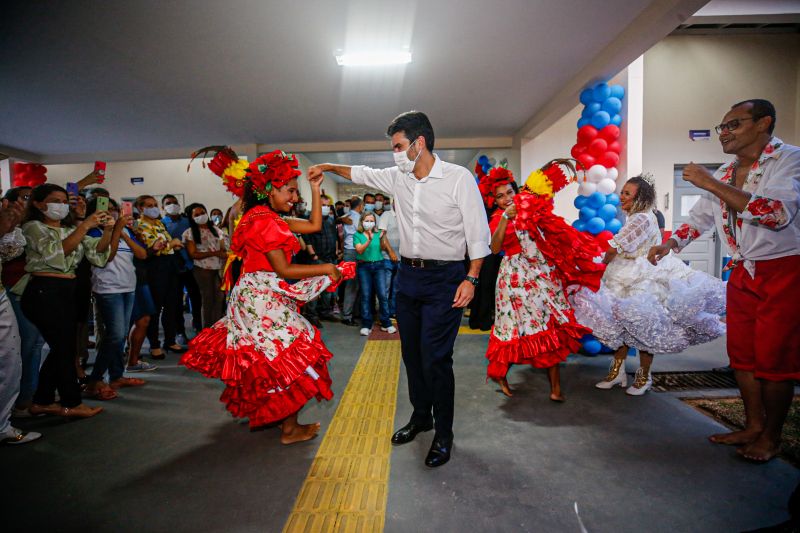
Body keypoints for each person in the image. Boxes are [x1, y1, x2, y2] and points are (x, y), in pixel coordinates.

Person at [308, 110, 491, 468]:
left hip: (446, 279)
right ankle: (421, 416)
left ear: (419, 144)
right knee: (412, 355)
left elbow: (477, 234)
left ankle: (444, 433)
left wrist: (470, 278)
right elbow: (361, 173)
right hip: (408, 276)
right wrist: (329, 165)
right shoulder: (398, 177)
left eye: (398, 146)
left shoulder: (458, 178)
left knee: (436, 358)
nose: (393, 153)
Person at [648, 99, 800, 462]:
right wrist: (670, 242)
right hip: (742, 270)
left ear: (764, 123)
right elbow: (700, 217)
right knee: (743, 356)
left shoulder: (790, 159)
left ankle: (771, 437)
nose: (724, 133)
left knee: (774, 359)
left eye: (733, 124)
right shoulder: (729, 171)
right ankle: (751, 425)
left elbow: (776, 214)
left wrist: (708, 182)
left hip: (783, 269)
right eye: (722, 127)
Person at [181, 147, 352, 444]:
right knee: (294, 357)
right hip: (260, 301)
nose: (294, 198)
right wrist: (326, 268)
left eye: (295, 192)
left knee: (275, 360)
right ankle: (289, 428)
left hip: (260, 297)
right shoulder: (263, 220)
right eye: (289, 191)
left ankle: (284, 422)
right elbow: (284, 269)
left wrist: (314, 188)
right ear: (269, 190)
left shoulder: (265, 216)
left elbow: (313, 225)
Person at [573, 175, 727, 395]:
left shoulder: (641, 219)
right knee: (621, 325)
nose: (621, 197)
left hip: (641, 275)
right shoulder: (640, 217)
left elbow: (615, 247)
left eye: (627, 193)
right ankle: (617, 373)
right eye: (622, 192)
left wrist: (599, 265)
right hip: (624, 273)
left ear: (640, 198)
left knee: (644, 325)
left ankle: (643, 378)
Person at [482, 164, 604, 400]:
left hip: (541, 274)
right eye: (500, 196)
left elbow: (550, 231)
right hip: (515, 281)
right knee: (514, 331)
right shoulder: (497, 219)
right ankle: (501, 372)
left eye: (509, 192)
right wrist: (507, 219)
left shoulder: (530, 208)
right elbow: (495, 248)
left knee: (550, 326)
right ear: (494, 201)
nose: (507, 199)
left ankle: (556, 389)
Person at [18, 183, 113, 418]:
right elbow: (56, 253)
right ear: (39, 204)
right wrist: (86, 225)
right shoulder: (33, 227)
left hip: (65, 290)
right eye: (55, 201)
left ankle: (43, 400)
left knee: (63, 347)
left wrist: (109, 229)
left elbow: (96, 253)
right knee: (63, 349)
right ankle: (71, 402)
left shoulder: (70, 228)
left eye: (63, 201)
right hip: (44, 291)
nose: (60, 205)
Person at [84, 198, 148, 399]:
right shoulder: (93, 232)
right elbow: (107, 257)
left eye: (114, 210)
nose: (110, 213)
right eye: (106, 209)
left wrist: (122, 232)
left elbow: (142, 254)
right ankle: (94, 380)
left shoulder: (125, 231)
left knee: (119, 336)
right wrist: (112, 231)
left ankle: (116, 375)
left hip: (128, 287)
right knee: (114, 335)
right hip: (108, 288)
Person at [2, 187, 46, 416]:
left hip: (36, 287)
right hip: (15, 286)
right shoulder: (10, 226)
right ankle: (21, 401)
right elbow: (10, 255)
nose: (29, 201)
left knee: (36, 343)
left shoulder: (35, 223)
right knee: (26, 344)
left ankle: (29, 395)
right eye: (25, 197)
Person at [134, 195, 184, 358]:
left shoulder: (159, 224)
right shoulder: (139, 225)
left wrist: (171, 245)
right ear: (141, 208)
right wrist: (171, 244)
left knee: (172, 305)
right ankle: (154, 344)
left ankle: (169, 340)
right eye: (149, 205)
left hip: (169, 266)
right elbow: (152, 248)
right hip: (154, 268)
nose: (154, 207)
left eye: (155, 204)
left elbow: (167, 245)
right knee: (154, 308)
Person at [161, 194, 202, 339]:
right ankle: (180, 331)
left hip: (190, 265)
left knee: (196, 297)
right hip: (172, 268)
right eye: (169, 203)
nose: (173, 205)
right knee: (176, 301)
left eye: (175, 202)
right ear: (163, 207)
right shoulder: (161, 224)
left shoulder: (187, 221)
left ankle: (198, 325)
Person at [182, 203, 227, 328]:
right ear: (191, 218)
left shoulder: (217, 230)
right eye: (196, 215)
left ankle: (217, 327)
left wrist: (224, 253)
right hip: (202, 269)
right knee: (207, 299)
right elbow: (193, 254)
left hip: (218, 268)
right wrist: (215, 253)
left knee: (219, 298)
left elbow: (223, 248)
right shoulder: (189, 233)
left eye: (202, 213)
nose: (200, 216)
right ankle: (207, 330)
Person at [354, 212, 396, 336]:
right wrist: (369, 240)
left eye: (371, 221)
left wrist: (383, 238)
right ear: (362, 222)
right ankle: (367, 324)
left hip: (379, 266)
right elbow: (359, 250)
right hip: (364, 267)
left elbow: (382, 248)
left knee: (382, 295)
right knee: (366, 296)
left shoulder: (378, 234)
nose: (369, 223)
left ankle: (386, 323)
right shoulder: (357, 235)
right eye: (366, 220)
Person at [304, 194, 339, 322]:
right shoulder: (309, 219)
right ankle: (312, 315)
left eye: (327, 205)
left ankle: (325, 312)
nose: (325, 208)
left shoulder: (330, 220)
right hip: (317, 259)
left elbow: (334, 237)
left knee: (328, 288)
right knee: (315, 288)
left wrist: (336, 251)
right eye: (322, 205)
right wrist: (313, 254)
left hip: (330, 258)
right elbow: (306, 238)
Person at [339, 197, 363, 326]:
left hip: (349, 251)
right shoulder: (358, 217)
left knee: (354, 284)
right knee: (352, 285)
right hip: (354, 251)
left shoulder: (347, 215)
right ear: (360, 206)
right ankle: (347, 315)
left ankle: (354, 313)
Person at [378, 197, 400, 317]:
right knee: (385, 290)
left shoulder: (405, 215)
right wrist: (391, 252)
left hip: (402, 259)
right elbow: (382, 235)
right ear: (393, 203)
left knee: (396, 289)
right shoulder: (386, 215)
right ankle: (384, 316)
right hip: (387, 258)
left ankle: (393, 312)